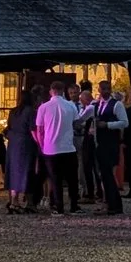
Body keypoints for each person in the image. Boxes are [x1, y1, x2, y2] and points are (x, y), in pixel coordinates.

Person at [36, 76, 82, 213]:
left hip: (51, 148)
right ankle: (74, 205)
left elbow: (40, 129)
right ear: (63, 91)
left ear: (51, 91)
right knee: (72, 179)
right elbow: (76, 123)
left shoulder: (44, 107)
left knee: (55, 179)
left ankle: (58, 206)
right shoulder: (70, 106)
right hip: (68, 147)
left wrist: (42, 145)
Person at [4, 84, 39, 214]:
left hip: (13, 143)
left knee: (14, 171)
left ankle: (14, 201)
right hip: (26, 144)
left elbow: (8, 127)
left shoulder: (13, 112)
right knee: (27, 172)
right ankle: (29, 202)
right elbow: (33, 129)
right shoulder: (31, 112)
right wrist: (39, 142)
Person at [93, 80, 127, 215]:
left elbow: (124, 122)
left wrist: (107, 125)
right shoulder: (97, 105)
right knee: (103, 175)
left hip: (111, 143)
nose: (106, 91)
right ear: (99, 90)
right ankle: (109, 203)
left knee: (108, 175)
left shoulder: (117, 104)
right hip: (100, 143)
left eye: (108, 89)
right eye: (103, 89)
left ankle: (113, 204)